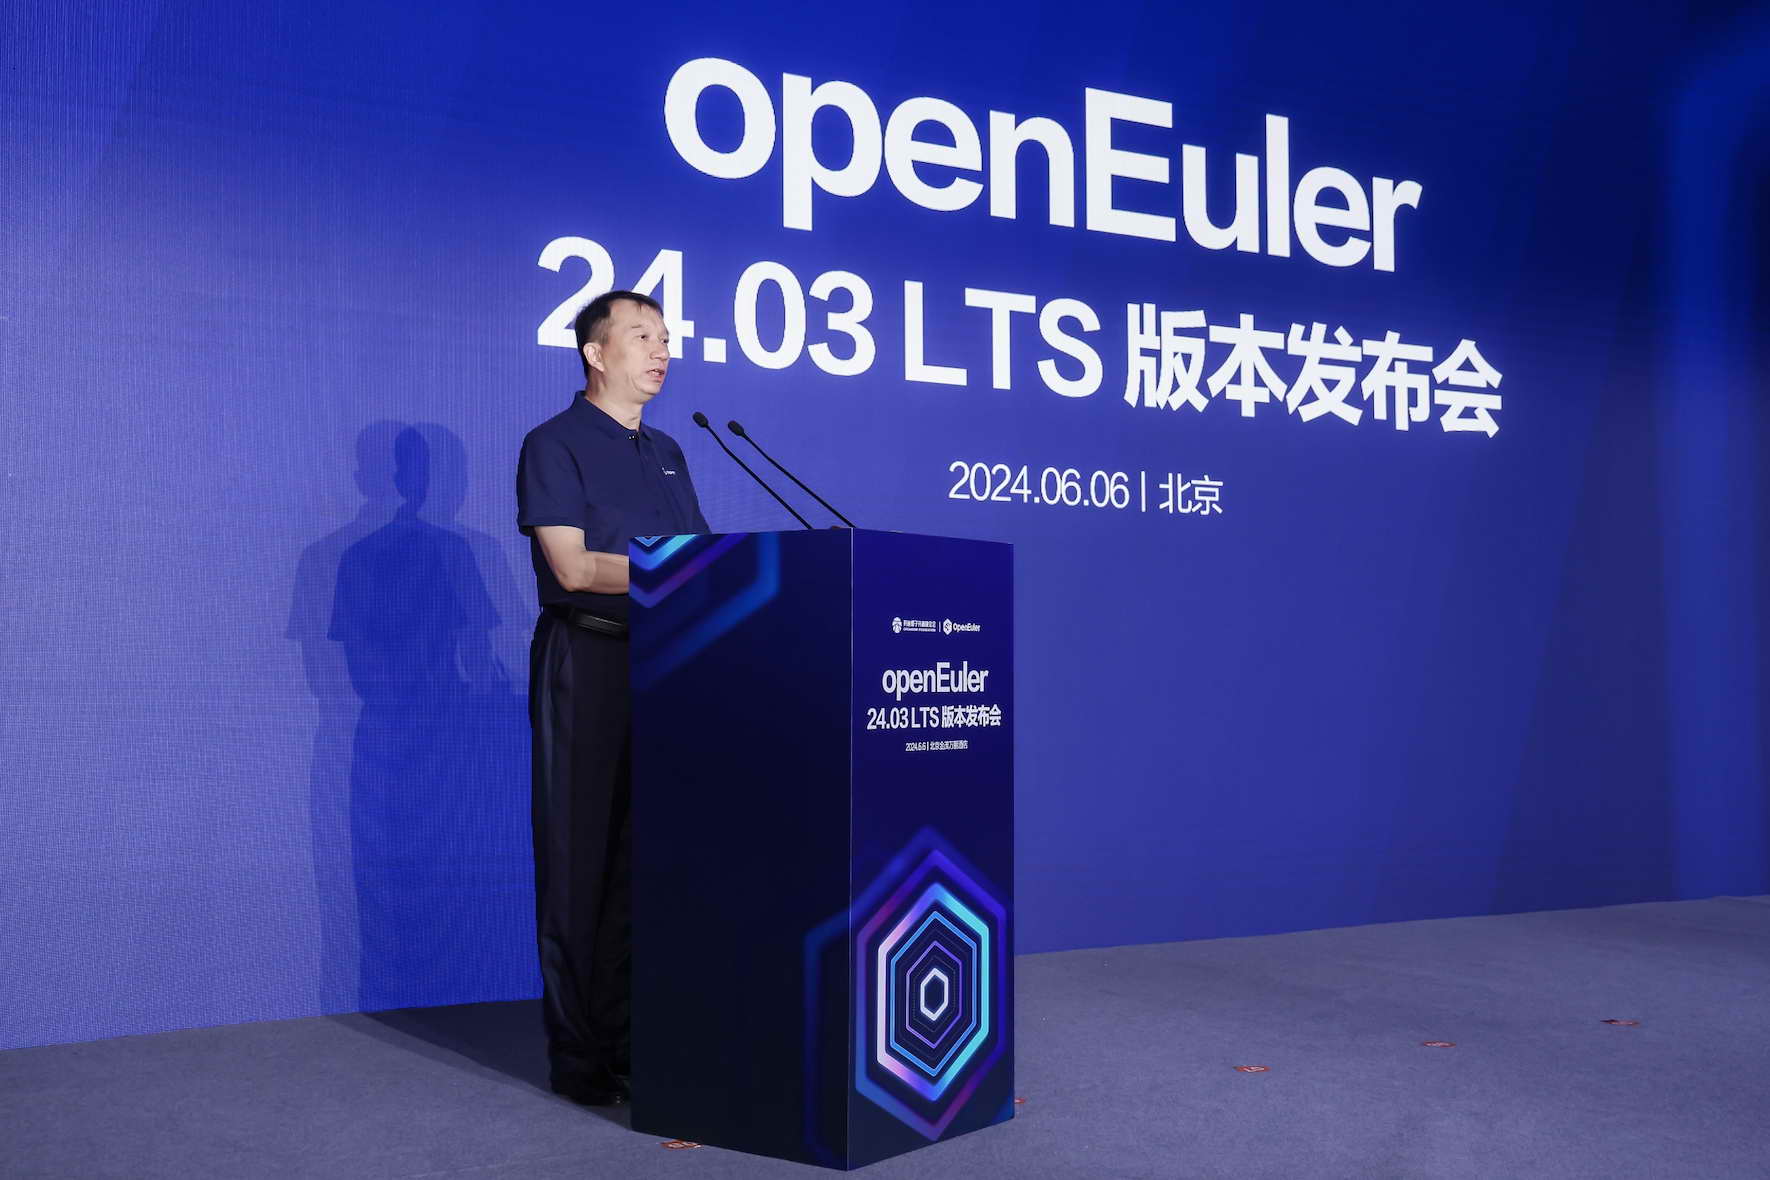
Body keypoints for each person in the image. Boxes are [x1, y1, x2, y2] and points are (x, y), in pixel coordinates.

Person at [516, 290, 709, 1105]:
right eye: (642, 336)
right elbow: (572, 566)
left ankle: (635, 1040)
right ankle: (579, 1056)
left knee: (646, 861)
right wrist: (684, 571)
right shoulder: (554, 442)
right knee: (579, 860)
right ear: (596, 353)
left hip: (666, 663)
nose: (662, 351)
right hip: (588, 658)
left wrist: (706, 573)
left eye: (665, 338)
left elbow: (702, 560)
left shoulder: (669, 451)